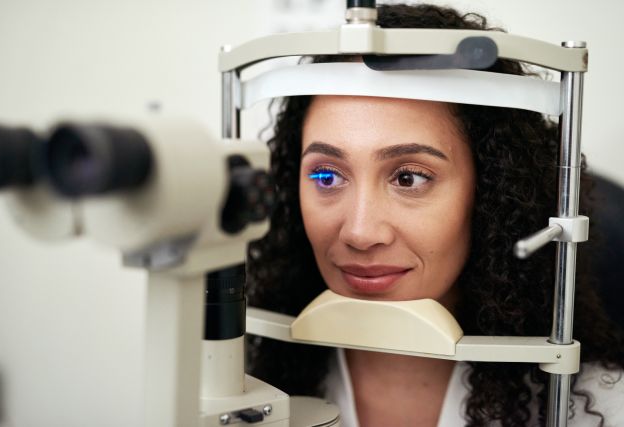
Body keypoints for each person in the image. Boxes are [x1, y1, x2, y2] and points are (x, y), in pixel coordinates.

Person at [246, 4, 624, 426]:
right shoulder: (234, 384)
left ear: (489, 192)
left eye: (409, 178)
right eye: (326, 175)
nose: (360, 232)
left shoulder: (598, 409)